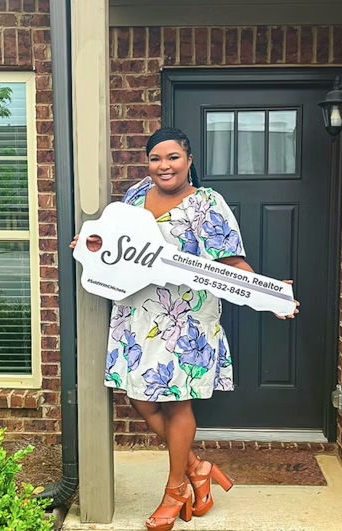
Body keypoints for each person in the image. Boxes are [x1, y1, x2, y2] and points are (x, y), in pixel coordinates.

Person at [70, 127, 299, 531]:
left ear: (189, 161)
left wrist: (269, 294)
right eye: (156, 158)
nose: (164, 166)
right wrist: (91, 244)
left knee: (177, 402)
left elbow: (230, 261)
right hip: (136, 315)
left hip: (185, 318)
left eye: (173, 157)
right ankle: (198, 467)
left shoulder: (207, 203)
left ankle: (175, 489)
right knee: (140, 397)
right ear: (148, 163)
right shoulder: (136, 197)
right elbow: (114, 244)